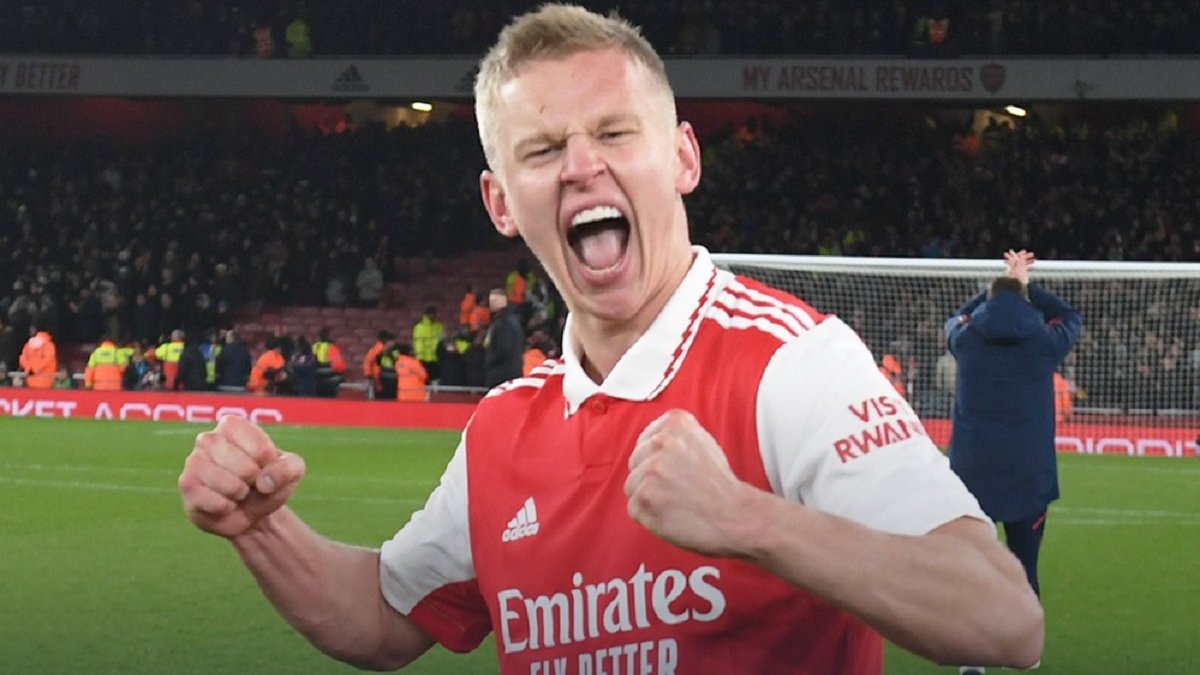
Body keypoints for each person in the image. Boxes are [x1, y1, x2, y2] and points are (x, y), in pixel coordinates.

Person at [177, 6, 1043, 675]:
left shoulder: (791, 362)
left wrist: (751, 520)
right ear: (501, 203)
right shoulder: (502, 429)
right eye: (542, 148)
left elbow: (1004, 618)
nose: (581, 165)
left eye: (615, 132)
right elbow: (382, 616)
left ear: (683, 158)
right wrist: (261, 528)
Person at [946, 250, 1083, 604]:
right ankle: (1025, 637)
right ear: (1026, 300)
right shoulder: (1044, 342)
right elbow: (1070, 316)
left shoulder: (965, 340)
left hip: (973, 472)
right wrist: (1025, 285)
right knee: (1025, 570)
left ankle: (970, 640)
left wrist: (998, 288)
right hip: (1029, 475)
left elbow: (955, 318)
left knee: (971, 570)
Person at [483, 287, 524, 388]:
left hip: (502, 375)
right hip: (511, 372)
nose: (491, 303)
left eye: (495, 300)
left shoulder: (504, 322)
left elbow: (504, 347)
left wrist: (489, 360)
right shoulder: (513, 320)